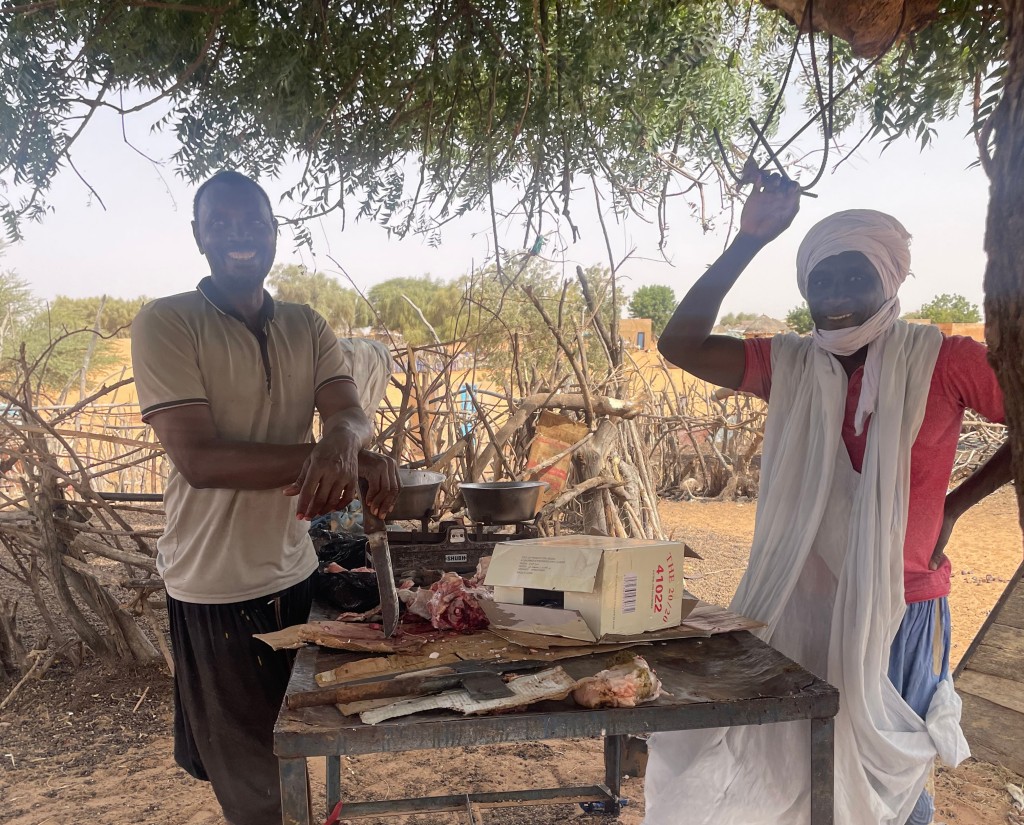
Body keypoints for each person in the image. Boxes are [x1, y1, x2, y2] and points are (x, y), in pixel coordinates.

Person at [646, 173, 1012, 825]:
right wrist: (748, 240)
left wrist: (957, 504)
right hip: (801, 600)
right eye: (822, 280)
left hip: (905, 600)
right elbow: (679, 344)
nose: (835, 296)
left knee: (889, 764)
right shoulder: (786, 362)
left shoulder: (943, 361)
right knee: (794, 753)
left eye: (853, 278)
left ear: (888, 279)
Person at [130, 170, 400, 824]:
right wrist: (333, 454)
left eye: (253, 221)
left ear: (275, 232)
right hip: (215, 588)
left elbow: (349, 409)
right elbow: (198, 458)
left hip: (295, 575)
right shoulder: (167, 323)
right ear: (198, 236)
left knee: (298, 750)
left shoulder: (305, 325)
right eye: (219, 224)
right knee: (255, 786)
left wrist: (344, 440)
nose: (238, 236)